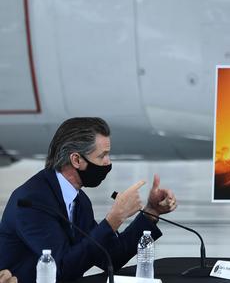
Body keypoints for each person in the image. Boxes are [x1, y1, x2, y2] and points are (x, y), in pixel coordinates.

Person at [0, 117, 178, 282]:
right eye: (102, 156)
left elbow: (111, 256)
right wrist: (113, 220)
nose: (108, 162)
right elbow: (60, 270)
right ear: (76, 160)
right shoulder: (32, 201)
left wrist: (151, 212)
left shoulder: (79, 200)